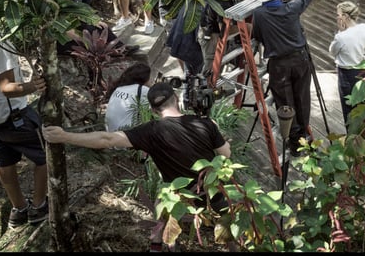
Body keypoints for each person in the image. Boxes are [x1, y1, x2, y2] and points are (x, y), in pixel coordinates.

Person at [43, 82, 231, 250]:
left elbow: (107, 138)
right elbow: (226, 155)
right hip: (213, 191)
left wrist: (64, 136)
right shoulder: (206, 124)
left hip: (179, 196)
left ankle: (156, 245)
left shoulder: (150, 131)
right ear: (176, 99)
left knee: (162, 199)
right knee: (230, 229)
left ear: (153, 110)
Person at [0, 21, 48, 229]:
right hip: (11, 115)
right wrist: (33, 86)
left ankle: (18, 209)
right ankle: (38, 206)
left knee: (4, 161)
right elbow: (6, 88)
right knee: (46, 154)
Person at [251, 0, 313, 154]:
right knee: (302, 98)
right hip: (300, 58)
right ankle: (303, 137)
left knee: (285, 102)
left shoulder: (259, 14)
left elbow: (258, 37)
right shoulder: (292, 7)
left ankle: (294, 142)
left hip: (279, 63)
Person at [328, 1, 365, 128]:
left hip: (346, 73)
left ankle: (352, 137)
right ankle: (363, 134)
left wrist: (339, 32)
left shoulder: (341, 37)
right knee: (361, 106)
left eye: (338, 15)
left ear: (344, 17)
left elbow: (332, 51)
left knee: (348, 108)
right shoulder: (364, 28)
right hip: (361, 71)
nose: (337, 17)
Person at [104, 63, 152, 132]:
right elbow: (147, 118)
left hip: (110, 133)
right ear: (145, 78)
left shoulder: (119, 88)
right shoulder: (142, 89)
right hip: (126, 135)